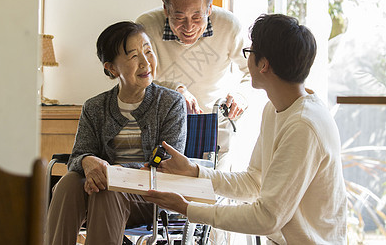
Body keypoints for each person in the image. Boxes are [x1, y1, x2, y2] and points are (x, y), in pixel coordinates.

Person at [143, 14, 347, 244]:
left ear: (263, 64)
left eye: (249, 52)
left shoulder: (303, 125)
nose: (246, 61)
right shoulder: (275, 109)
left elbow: (267, 218)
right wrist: (195, 171)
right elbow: (253, 183)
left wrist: (187, 208)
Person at [44, 21, 187, 245]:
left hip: (151, 197)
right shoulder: (95, 107)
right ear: (111, 68)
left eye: (148, 51)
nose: (145, 62)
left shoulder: (170, 103)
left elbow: (167, 162)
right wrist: (88, 161)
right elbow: (79, 155)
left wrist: (116, 173)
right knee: (68, 183)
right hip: (103, 191)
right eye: (133, 56)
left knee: (107, 187)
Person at [136, 0, 250, 171]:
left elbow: (256, 72)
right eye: (179, 17)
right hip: (163, 127)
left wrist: (241, 97)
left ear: (209, 10)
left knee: (213, 192)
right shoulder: (145, 27)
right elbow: (133, 79)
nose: (189, 27)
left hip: (214, 127)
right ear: (165, 9)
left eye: (197, 17)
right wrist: (175, 91)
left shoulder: (229, 25)